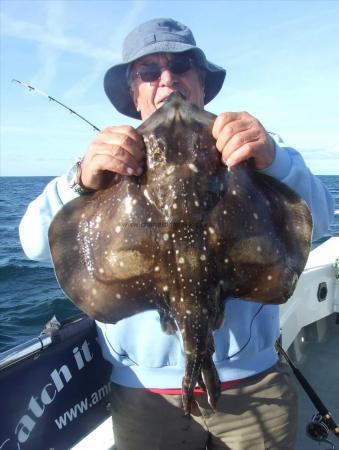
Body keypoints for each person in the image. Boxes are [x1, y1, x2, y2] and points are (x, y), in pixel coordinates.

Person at [19, 18, 333, 450]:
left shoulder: (247, 148)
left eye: (182, 66)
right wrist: (80, 179)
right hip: (145, 394)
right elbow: (32, 242)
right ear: (135, 92)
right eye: (150, 72)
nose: (168, 80)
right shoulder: (103, 163)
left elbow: (321, 215)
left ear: (201, 82)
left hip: (254, 386)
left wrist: (273, 159)